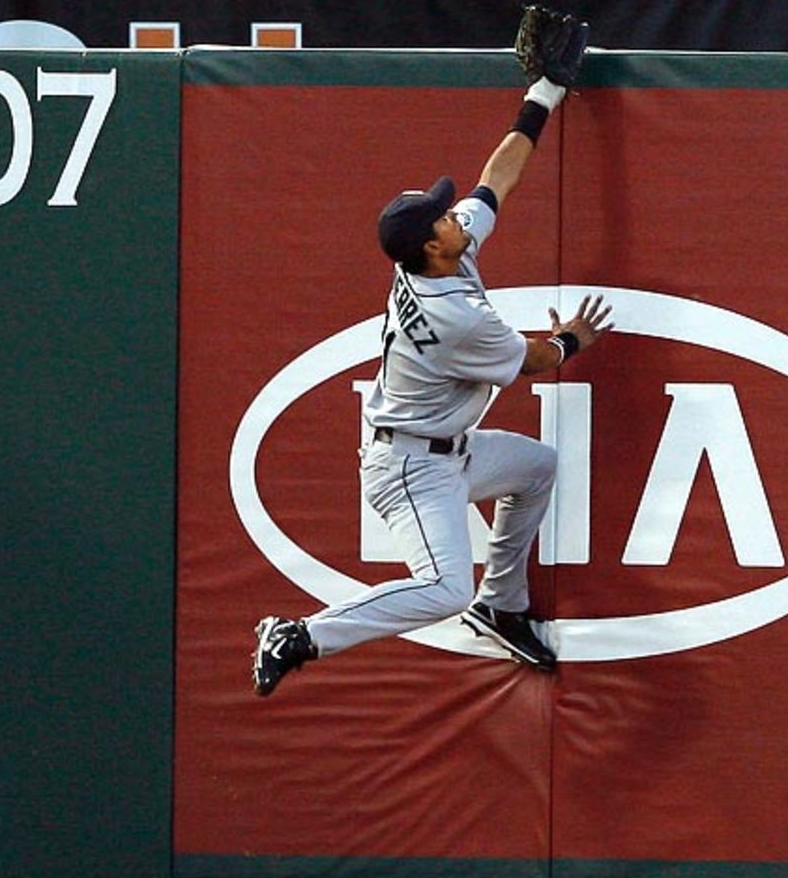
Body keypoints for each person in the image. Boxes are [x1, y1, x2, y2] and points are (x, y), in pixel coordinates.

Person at [252, 67, 612, 697]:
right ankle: (303, 634)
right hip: (410, 468)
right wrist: (572, 340)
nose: (455, 217)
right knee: (444, 587)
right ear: (430, 248)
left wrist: (543, 94)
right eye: (442, 219)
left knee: (537, 466)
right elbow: (532, 362)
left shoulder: (444, 255)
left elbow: (495, 179)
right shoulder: (454, 319)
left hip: (444, 449)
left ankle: (501, 604)